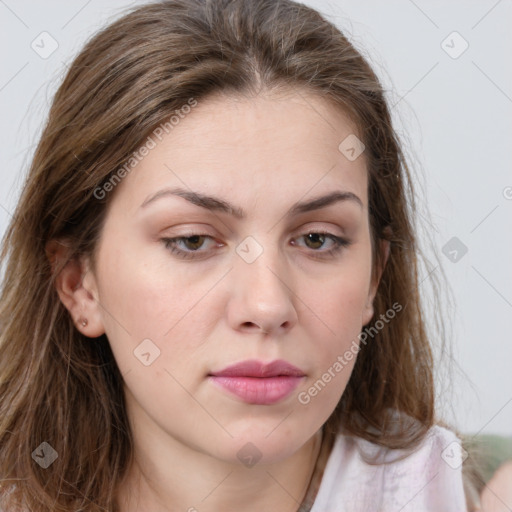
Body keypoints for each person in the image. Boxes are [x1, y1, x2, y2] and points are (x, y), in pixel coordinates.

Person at [0, 0, 482, 510]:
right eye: (192, 240)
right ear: (79, 283)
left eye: (317, 239)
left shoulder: (440, 491)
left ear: (373, 279)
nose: (267, 306)